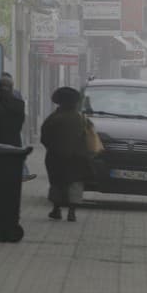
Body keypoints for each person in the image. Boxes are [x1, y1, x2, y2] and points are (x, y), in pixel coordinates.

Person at [40, 87, 90, 222]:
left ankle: (56, 209)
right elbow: (87, 139)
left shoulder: (53, 118)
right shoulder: (80, 119)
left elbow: (44, 137)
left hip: (56, 157)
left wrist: (53, 148)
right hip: (77, 158)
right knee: (75, 184)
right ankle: (72, 212)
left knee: (57, 182)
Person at [0, 73, 35, 181]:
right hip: (14, 144)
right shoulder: (19, 104)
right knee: (11, 178)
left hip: (3, 144)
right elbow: (19, 123)